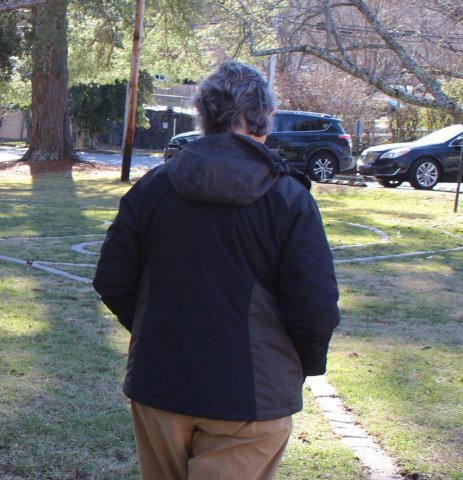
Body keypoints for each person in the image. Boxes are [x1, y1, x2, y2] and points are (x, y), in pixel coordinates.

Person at [93, 60, 340, 480]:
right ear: (265, 117)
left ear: (204, 115)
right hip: (243, 398)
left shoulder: (154, 186)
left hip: (171, 387)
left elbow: (113, 279)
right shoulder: (287, 198)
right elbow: (315, 307)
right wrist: (299, 365)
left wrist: (157, 330)